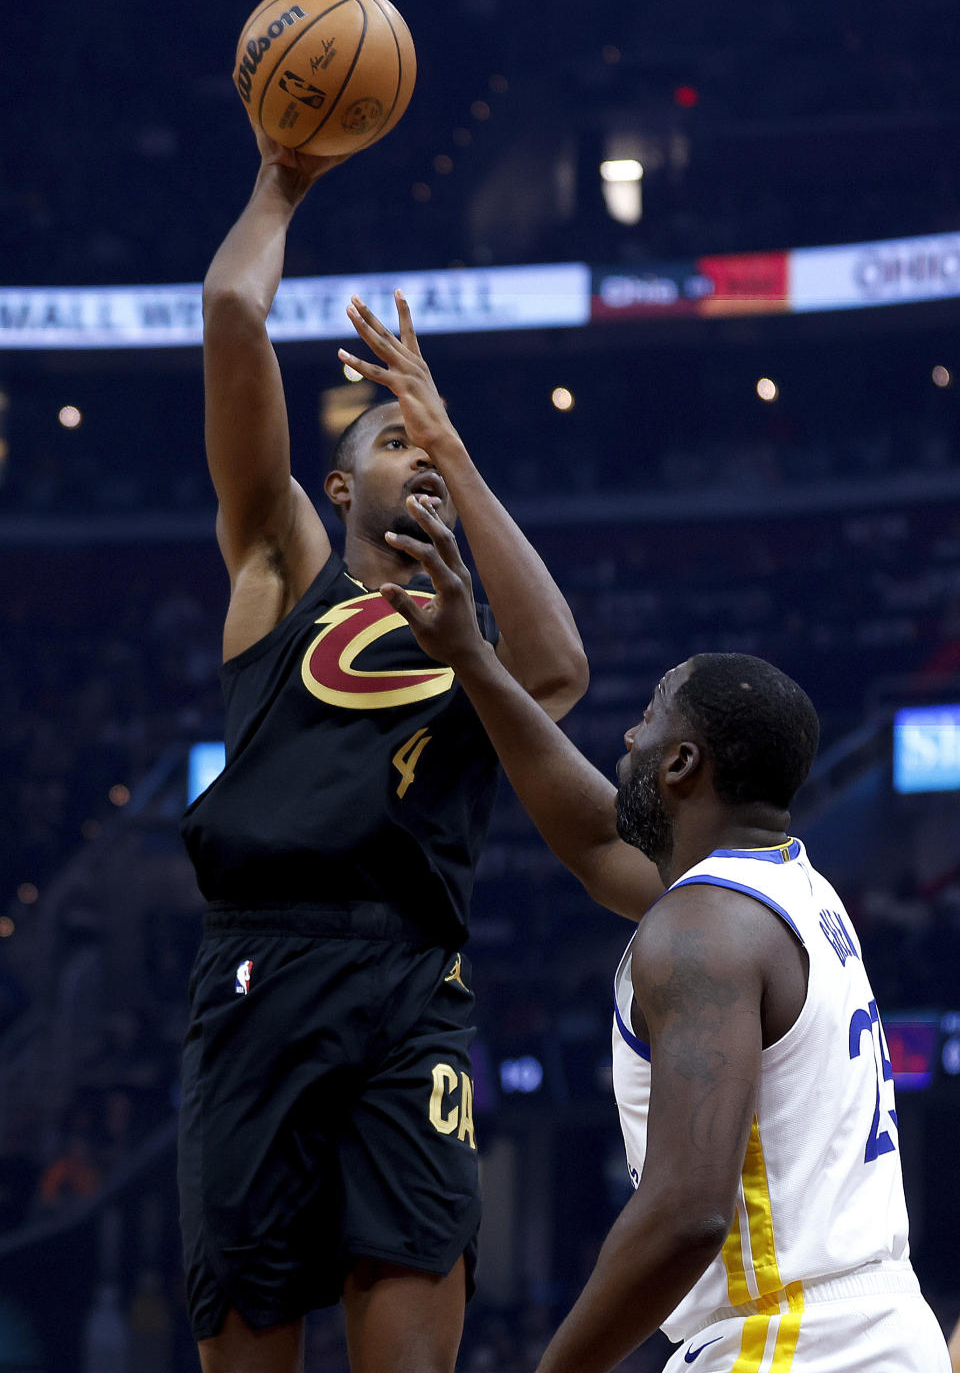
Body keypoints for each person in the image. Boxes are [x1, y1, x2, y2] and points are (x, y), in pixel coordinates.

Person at [177, 132, 589, 1373]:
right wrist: (280, 183)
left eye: (437, 459)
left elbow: (561, 674)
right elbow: (230, 313)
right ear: (336, 493)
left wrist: (452, 441)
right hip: (263, 963)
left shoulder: (470, 646)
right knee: (250, 1321)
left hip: (416, 981)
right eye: (394, 446)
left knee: (413, 1300)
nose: (423, 464)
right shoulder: (280, 569)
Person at [376, 494, 951, 1373]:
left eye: (652, 717)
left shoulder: (702, 928)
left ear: (683, 765)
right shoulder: (794, 891)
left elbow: (685, 1210)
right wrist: (473, 660)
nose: (631, 736)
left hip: (791, 1342)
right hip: (875, 1328)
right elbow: (596, 838)